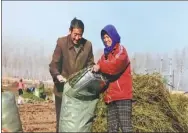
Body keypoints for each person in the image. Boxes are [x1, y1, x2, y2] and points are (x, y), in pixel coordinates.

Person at [49, 17, 95, 132]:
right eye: (75, 34)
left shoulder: (87, 45)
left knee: (78, 124)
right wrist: (58, 75)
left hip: (79, 93)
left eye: (80, 35)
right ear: (70, 31)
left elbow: (90, 65)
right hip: (62, 91)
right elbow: (53, 65)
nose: (77, 38)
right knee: (62, 122)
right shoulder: (61, 43)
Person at [92, 24, 133, 132]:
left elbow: (114, 65)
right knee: (111, 129)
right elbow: (99, 70)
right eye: (104, 38)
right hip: (110, 97)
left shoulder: (121, 50)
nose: (106, 40)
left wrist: (100, 66)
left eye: (107, 37)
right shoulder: (104, 55)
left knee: (126, 128)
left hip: (122, 96)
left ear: (113, 36)